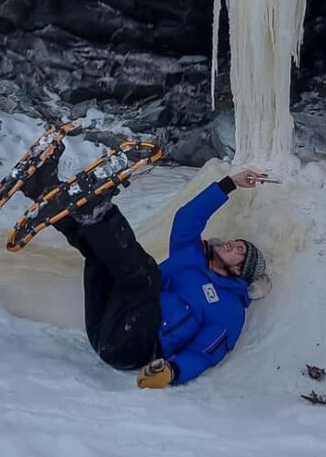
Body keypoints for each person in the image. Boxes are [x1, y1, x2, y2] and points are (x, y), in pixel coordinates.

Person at [21, 149, 268, 388]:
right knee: (99, 260)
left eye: (241, 251)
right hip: (105, 328)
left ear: (239, 272)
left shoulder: (230, 308)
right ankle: (45, 189)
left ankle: (100, 212)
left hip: (135, 347)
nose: (233, 244)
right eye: (238, 242)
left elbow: (205, 352)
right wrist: (228, 184)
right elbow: (187, 218)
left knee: (147, 277)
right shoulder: (191, 256)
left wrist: (173, 372)